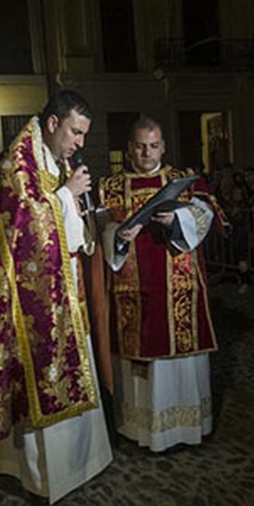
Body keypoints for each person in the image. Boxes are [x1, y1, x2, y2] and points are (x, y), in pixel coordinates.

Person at [0, 90, 112, 503]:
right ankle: (43, 475)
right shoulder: (16, 164)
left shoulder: (57, 159)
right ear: (52, 124)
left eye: (83, 135)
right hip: (25, 305)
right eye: (75, 132)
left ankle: (83, 460)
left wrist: (77, 203)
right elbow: (23, 228)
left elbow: (64, 222)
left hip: (63, 291)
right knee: (36, 382)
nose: (79, 143)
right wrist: (65, 195)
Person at [98, 116, 225, 452]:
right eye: (140, 146)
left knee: (179, 359)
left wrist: (178, 219)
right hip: (133, 290)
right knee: (142, 360)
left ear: (163, 147)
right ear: (128, 149)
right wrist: (118, 236)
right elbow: (100, 232)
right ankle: (143, 431)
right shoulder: (109, 187)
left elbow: (208, 213)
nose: (146, 153)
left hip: (178, 286)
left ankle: (186, 426)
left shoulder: (182, 180)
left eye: (153, 146)